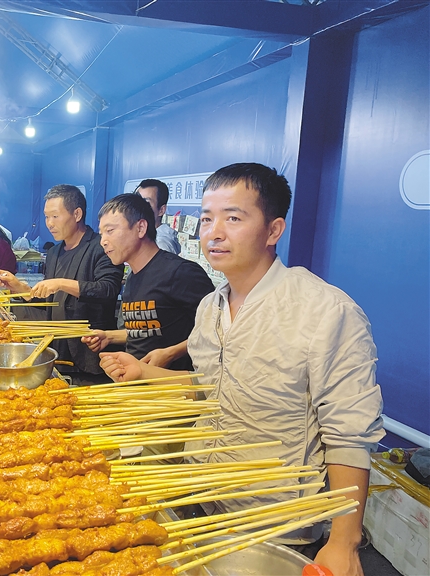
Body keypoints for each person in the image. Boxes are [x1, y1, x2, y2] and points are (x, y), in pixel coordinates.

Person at [98, 163, 384, 576]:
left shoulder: (325, 311)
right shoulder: (210, 307)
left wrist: (344, 542)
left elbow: (349, 436)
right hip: (200, 495)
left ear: (273, 230)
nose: (213, 233)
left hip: (273, 522)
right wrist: (143, 374)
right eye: (207, 219)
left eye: (233, 218)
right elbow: (208, 389)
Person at [0, 184, 123, 385]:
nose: (49, 223)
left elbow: (107, 290)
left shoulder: (101, 247)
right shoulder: (54, 253)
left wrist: (62, 283)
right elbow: (51, 301)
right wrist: (20, 288)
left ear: (77, 214)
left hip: (91, 359)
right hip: (58, 355)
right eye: (47, 217)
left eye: (55, 216)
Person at [81, 194, 214, 370]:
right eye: (101, 234)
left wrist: (171, 353)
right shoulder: (132, 278)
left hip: (173, 383)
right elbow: (146, 331)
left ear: (141, 228)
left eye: (110, 231)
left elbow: (216, 329)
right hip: (136, 379)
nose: (103, 241)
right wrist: (109, 336)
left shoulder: (180, 272)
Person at [135, 178, 181, 255]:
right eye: (136, 201)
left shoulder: (161, 245)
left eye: (146, 202)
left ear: (161, 210)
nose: (138, 207)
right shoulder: (142, 236)